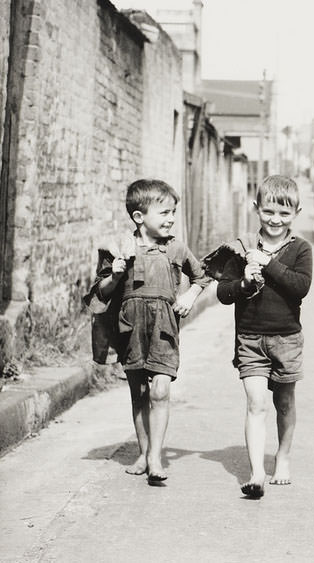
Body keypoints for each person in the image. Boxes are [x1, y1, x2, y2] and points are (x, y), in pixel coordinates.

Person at [84, 179, 209, 485]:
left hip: (164, 328)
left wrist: (189, 296)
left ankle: (156, 455)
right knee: (139, 393)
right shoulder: (120, 250)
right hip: (131, 329)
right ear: (139, 218)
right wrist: (115, 274)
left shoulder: (177, 248)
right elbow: (100, 292)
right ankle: (144, 453)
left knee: (161, 391)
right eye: (164, 213)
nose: (170, 219)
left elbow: (203, 275)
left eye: (173, 213)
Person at [214, 175, 313, 499]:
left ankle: (281, 458)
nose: (275, 219)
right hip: (250, 338)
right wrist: (243, 282)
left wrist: (269, 263)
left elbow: (300, 287)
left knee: (283, 403)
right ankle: (257, 472)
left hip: (286, 339)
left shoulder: (300, 249)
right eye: (269, 211)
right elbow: (223, 293)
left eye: (284, 214)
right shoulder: (241, 249)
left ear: (295, 213)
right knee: (256, 404)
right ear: (257, 208)